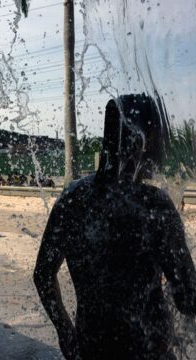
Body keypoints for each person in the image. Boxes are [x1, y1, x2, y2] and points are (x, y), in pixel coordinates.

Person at [34, 94, 196, 360]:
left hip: (91, 347)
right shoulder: (153, 205)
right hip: (148, 351)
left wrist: (64, 329)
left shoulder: (73, 197)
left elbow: (42, 273)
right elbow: (188, 298)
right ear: (145, 140)